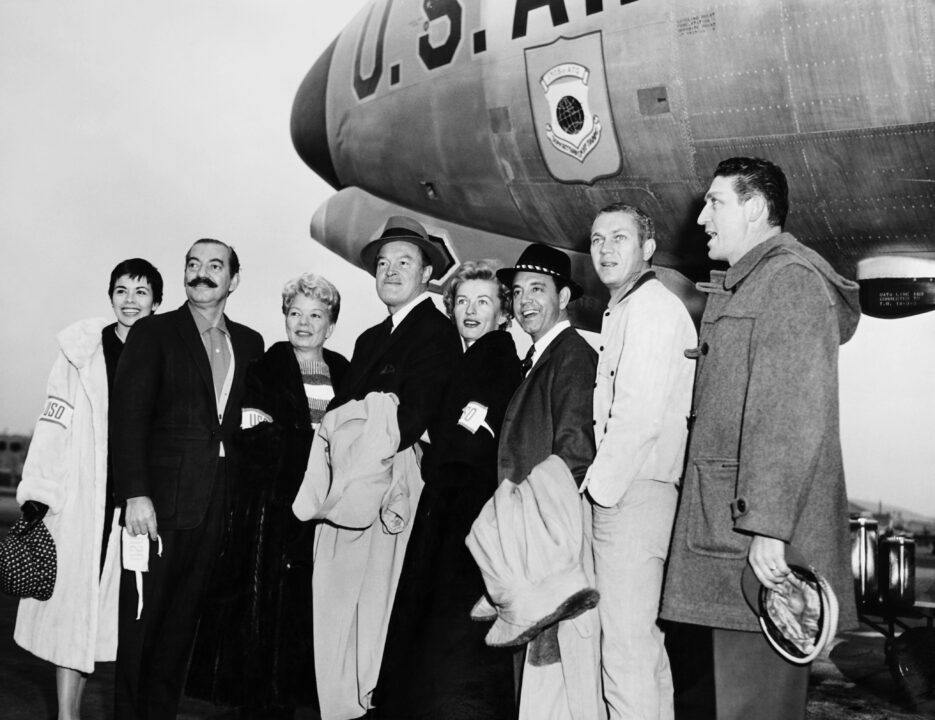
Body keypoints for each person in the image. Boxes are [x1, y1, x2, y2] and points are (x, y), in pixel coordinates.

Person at [660, 157, 860, 720]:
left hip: (751, 550)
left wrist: (770, 528)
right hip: (721, 537)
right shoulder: (752, 281)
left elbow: (790, 414)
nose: (701, 217)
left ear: (754, 207)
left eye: (715, 202)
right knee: (719, 702)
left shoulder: (789, 281)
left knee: (751, 705)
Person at [313, 215, 461, 719]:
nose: (391, 271)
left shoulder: (437, 333)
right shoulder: (369, 339)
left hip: (391, 493)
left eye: (404, 262)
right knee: (344, 614)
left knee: (377, 611)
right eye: (383, 263)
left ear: (426, 274)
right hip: (354, 489)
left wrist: (356, 422)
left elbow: (407, 419)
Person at [110, 239, 264, 720]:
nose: (201, 273)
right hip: (156, 505)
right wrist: (135, 494)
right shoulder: (154, 332)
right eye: (193, 265)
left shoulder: (251, 343)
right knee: (142, 627)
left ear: (233, 280)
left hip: (218, 503)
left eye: (214, 266)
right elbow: (128, 416)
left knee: (181, 630)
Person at [185, 273, 348, 718]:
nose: (303, 322)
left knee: (311, 641)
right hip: (271, 525)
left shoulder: (348, 374)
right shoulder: (264, 368)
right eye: (295, 313)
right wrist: (315, 444)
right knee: (265, 639)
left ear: (330, 326)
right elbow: (255, 442)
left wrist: (299, 439)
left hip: (327, 520)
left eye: (315, 315)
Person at [13, 258, 163, 720]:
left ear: (157, 301)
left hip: (139, 506)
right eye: (121, 290)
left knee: (130, 623)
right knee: (72, 614)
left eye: (141, 291)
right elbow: (53, 423)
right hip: (82, 502)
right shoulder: (81, 352)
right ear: (110, 297)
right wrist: (39, 491)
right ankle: (66, 714)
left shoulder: (168, 352)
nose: (130, 300)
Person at [374, 260, 522, 720]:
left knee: (451, 630)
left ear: (503, 313)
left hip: (465, 508)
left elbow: (468, 437)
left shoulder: (495, 356)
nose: (470, 310)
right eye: (462, 301)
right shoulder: (469, 357)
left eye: (483, 302)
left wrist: (436, 447)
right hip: (452, 504)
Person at [581, 203, 696, 720]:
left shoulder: (649, 310)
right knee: (642, 652)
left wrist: (597, 493)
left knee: (624, 654)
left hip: (632, 493)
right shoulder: (631, 307)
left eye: (619, 238)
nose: (605, 249)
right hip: (643, 490)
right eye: (597, 239)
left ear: (647, 249)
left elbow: (638, 417)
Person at [494, 243, 600, 720]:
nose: (524, 302)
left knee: (550, 668)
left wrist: (537, 526)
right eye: (517, 292)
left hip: (546, 534)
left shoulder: (572, 355)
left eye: (537, 289)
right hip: (529, 533)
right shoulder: (538, 357)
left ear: (563, 295)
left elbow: (575, 452)